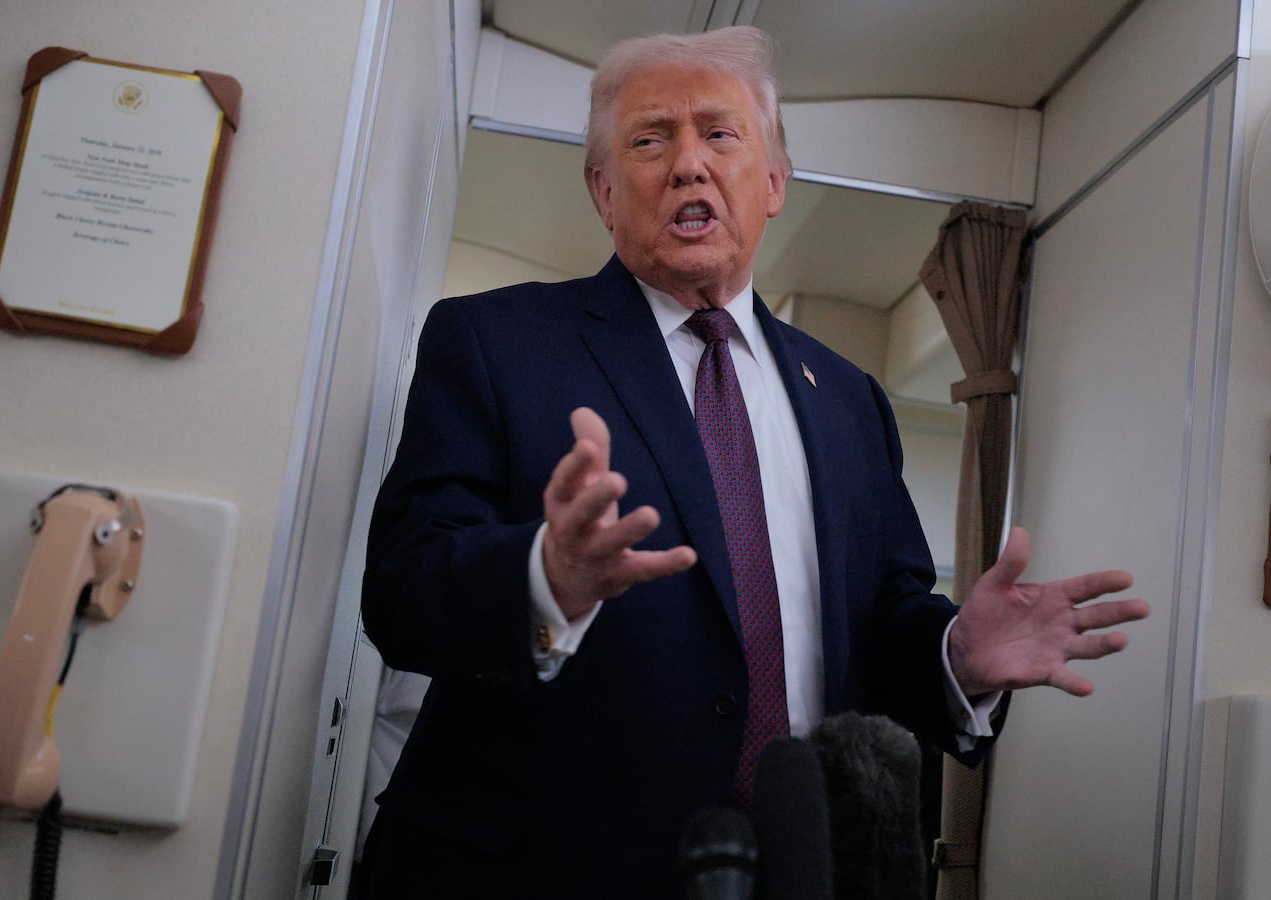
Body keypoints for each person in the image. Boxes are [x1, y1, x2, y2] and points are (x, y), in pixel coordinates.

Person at [357, 25, 1148, 899]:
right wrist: (546, 578)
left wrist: (956, 652)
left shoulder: (850, 400)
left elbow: (886, 618)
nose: (689, 165)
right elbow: (402, 590)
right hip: (533, 872)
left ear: (773, 182)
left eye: (720, 135)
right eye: (651, 140)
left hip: (790, 868)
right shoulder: (494, 342)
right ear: (603, 191)